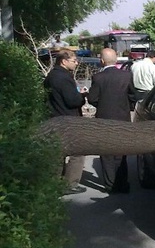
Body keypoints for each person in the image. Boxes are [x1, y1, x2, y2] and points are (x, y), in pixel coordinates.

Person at [87, 48, 137, 194]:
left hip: (104, 120)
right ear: (116, 60)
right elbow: (133, 96)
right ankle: (123, 184)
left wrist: (102, 106)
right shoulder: (126, 76)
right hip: (123, 119)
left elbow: (92, 99)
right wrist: (127, 106)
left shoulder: (98, 77)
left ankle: (110, 185)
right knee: (121, 152)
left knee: (106, 153)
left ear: (102, 61)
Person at [43, 49, 88, 195]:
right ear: (64, 61)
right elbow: (72, 100)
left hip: (55, 117)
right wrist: (82, 96)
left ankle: (54, 183)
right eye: (74, 61)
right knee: (78, 151)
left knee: (58, 152)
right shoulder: (63, 78)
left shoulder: (51, 76)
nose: (76, 63)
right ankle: (70, 183)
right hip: (69, 119)